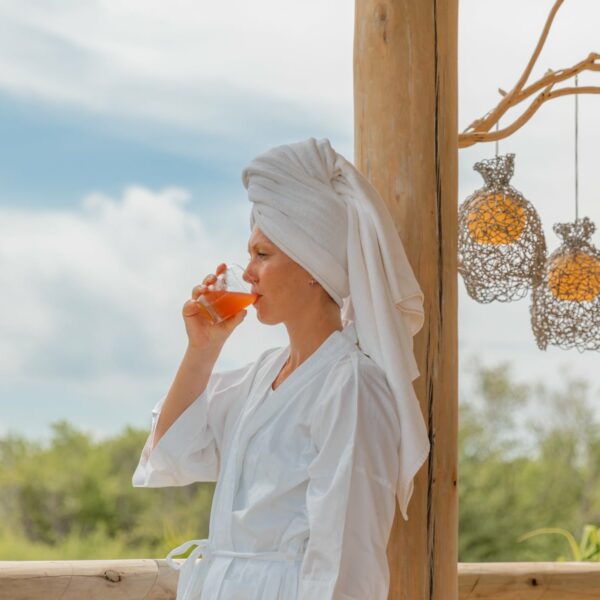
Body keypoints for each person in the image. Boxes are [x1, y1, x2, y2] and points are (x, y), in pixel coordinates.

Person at [132, 137, 430, 600]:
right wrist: (202, 349)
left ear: (314, 265)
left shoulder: (350, 385)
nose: (247, 272)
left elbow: (348, 561)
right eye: (249, 255)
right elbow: (172, 452)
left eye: (262, 254)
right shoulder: (261, 376)